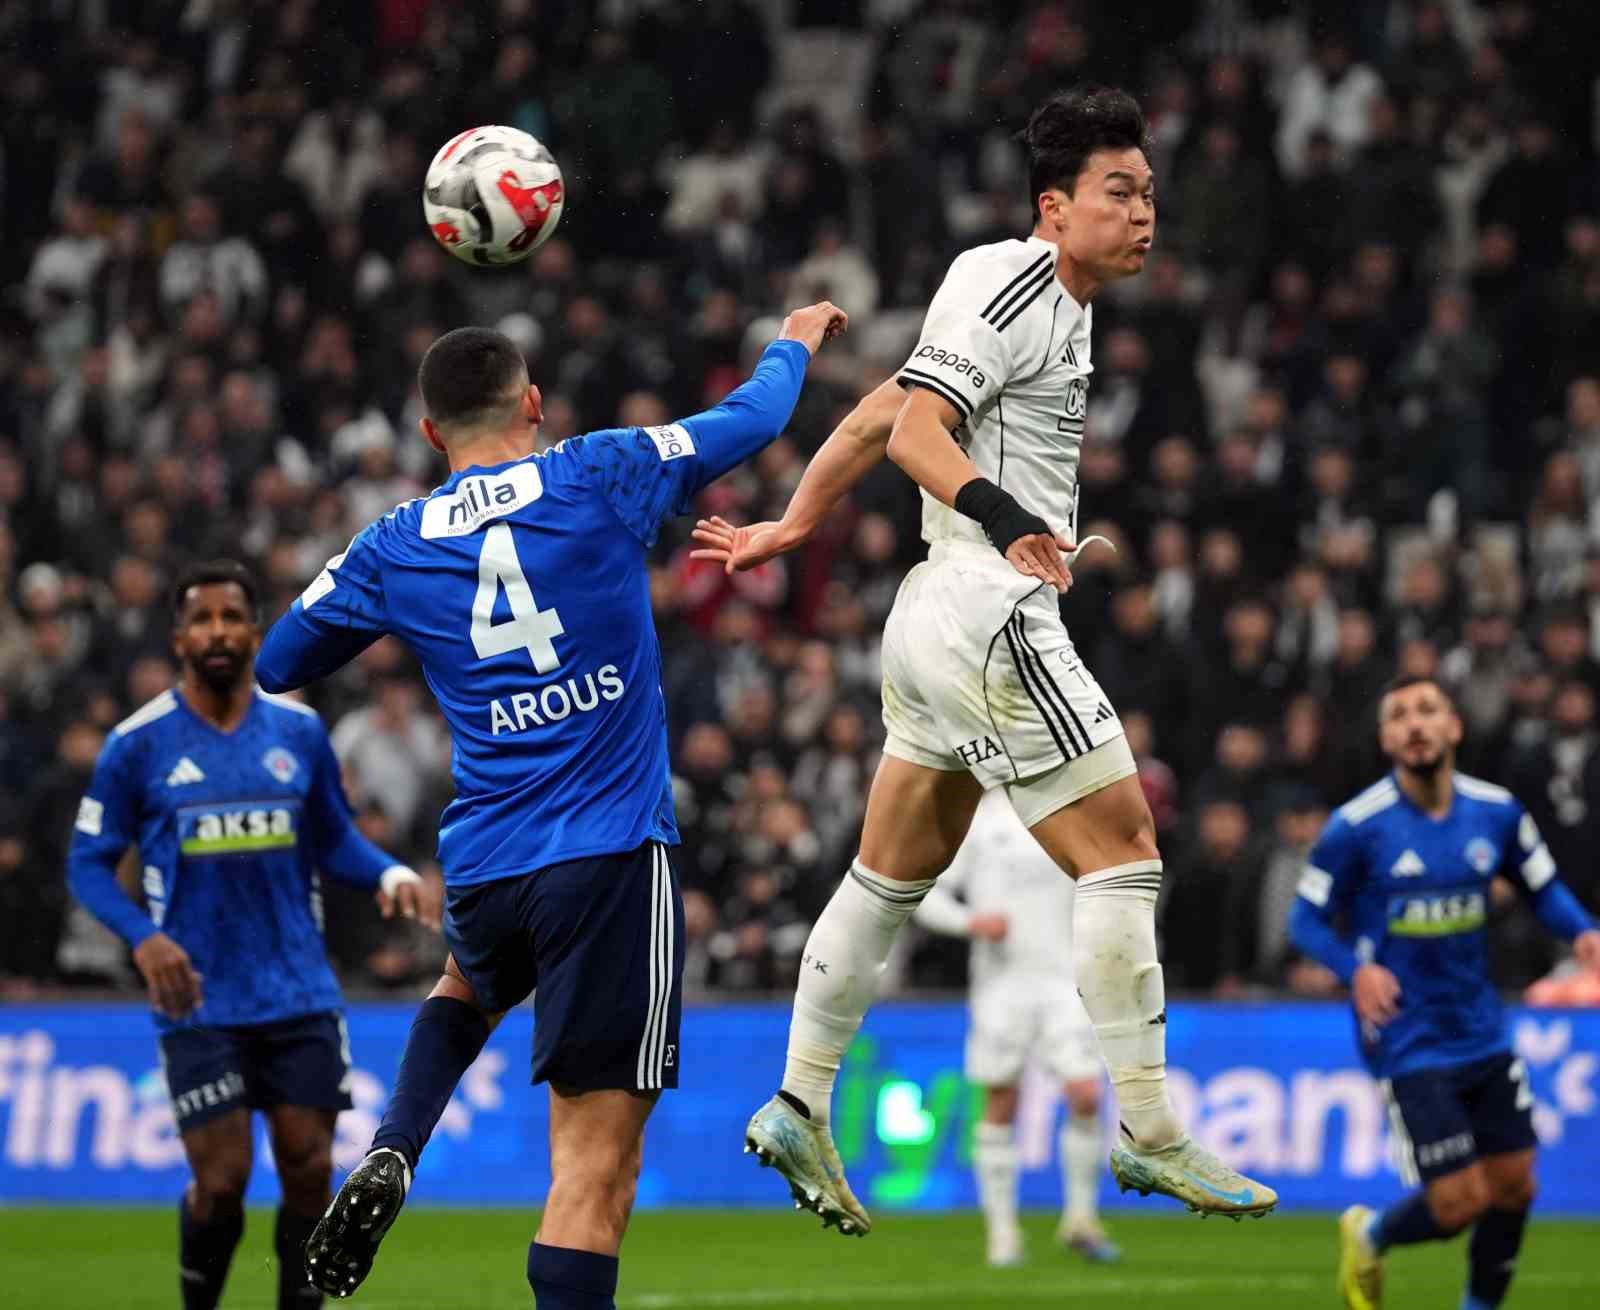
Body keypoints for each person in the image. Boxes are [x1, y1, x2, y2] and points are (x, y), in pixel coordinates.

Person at [693, 85, 1276, 1231]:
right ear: (1054, 206)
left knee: (888, 874)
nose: (1143, 213)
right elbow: (919, 433)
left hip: (936, 617)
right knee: (1124, 851)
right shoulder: (1009, 278)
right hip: (986, 603)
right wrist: (1007, 519)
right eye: (1118, 192)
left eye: (1149, 193)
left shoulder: (1054, 304)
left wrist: (794, 523)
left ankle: (798, 1098)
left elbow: (876, 414)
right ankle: (1150, 1128)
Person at [253, 301, 847, 1308]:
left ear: (430, 432)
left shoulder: (394, 541)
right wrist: (793, 338)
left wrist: (390, 605)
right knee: (593, 1174)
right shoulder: (599, 469)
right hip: (610, 856)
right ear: (533, 403)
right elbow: (753, 418)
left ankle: (397, 1141)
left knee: (467, 982)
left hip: (487, 860)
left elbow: (277, 660)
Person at [65, 559, 432, 1310]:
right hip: (198, 997)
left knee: (309, 1169)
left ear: (256, 632)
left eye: (231, 617)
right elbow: (87, 863)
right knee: (222, 1179)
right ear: (178, 638)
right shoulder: (139, 744)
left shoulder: (299, 732)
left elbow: (334, 838)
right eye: (201, 619)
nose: (218, 632)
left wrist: (389, 871)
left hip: (298, 990)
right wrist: (142, 937)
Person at [1288, 674, 1600, 1310]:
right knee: (1460, 1203)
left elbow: (1542, 887)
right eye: (1400, 715)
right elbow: (1304, 919)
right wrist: (1356, 970)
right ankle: (1371, 1234)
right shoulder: (1357, 826)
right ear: (1386, 739)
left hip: (1481, 1026)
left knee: (1515, 1186)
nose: (1416, 724)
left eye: (1428, 710)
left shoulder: (1498, 812)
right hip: (1408, 1035)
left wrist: (1583, 933)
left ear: (1453, 727)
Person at [912, 789, 1120, 1267]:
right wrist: (970, 921)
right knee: (1002, 1100)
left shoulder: (1069, 807)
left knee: (1087, 1093)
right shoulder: (978, 820)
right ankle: (1002, 1233)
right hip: (1001, 984)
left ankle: (1081, 1219)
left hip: (1066, 978)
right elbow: (925, 891)